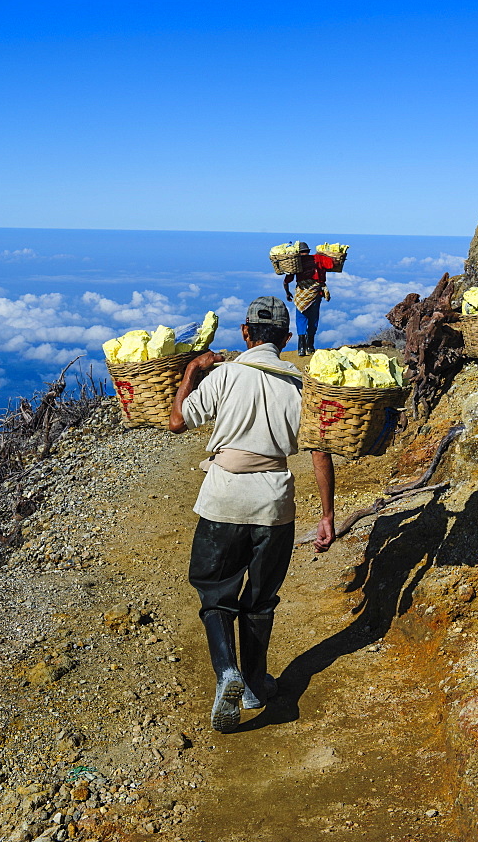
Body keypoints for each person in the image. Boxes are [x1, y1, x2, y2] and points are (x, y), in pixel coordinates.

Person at [169, 296, 336, 732]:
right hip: (273, 503)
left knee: (215, 592)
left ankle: (227, 672)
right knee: (260, 599)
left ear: (246, 334)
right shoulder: (303, 385)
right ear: (283, 339)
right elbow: (319, 449)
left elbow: (176, 422)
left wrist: (190, 373)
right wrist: (327, 514)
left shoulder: (225, 375)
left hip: (223, 496)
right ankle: (256, 685)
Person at [283, 241, 337, 356]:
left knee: (301, 319)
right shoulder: (318, 258)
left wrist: (287, 293)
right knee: (313, 319)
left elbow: (287, 281)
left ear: (298, 252)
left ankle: (301, 348)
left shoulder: (296, 262)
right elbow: (333, 264)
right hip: (315, 294)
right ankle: (310, 347)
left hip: (301, 295)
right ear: (308, 251)